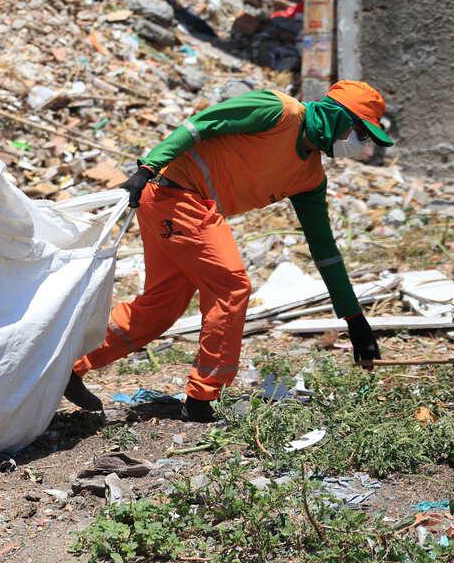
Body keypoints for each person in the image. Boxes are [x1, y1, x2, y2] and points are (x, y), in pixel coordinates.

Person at [63, 81, 393, 422]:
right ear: (339, 117)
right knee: (232, 285)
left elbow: (325, 251)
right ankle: (202, 398)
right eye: (360, 132)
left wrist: (354, 318)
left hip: (179, 206)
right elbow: (200, 125)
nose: (359, 143)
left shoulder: (309, 176)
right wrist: (147, 168)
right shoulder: (278, 110)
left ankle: (69, 368)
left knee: (162, 306)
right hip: (174, 195)